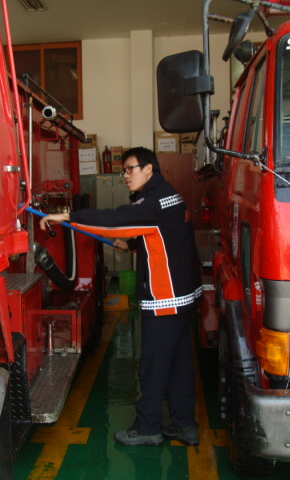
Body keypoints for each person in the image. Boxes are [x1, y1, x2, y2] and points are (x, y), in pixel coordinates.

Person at [39, 146, 202, 447]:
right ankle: (185, 425)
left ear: (149, 169)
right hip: (182, 297)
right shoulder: (169, 196)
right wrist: (135, 245)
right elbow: (167, 234)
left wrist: (68, 217)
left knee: (153, 366)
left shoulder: (153, 202)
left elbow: (116, 220)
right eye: (123, 171)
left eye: (130, 169)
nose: (125, 175)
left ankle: (148, 428)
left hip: (164, 297)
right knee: (179, 365)